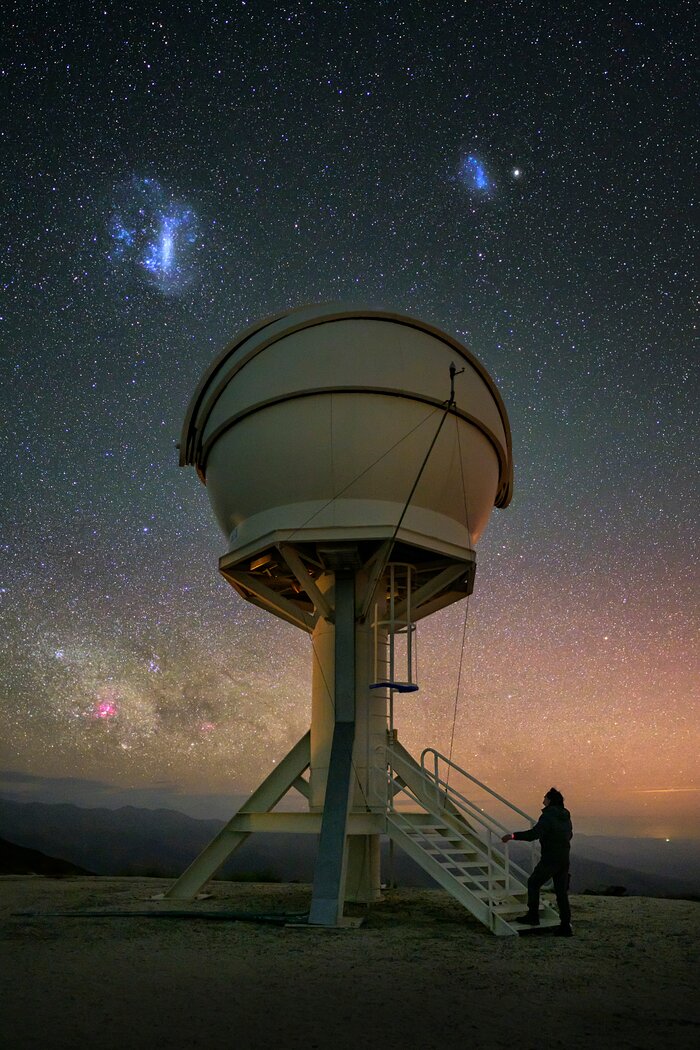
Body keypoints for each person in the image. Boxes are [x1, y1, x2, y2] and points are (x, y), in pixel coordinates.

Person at [501, 787, 573, 936]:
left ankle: (533, 916)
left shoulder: (548, 816)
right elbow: (569, 835)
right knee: (561, 893)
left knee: (533, 883)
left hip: (550, 858)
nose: (543, 801)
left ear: (550, 800)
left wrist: (513, 836)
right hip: (564, 858)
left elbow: (534, 834)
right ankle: (565, 926)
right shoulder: (565, 816)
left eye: (545, 798)